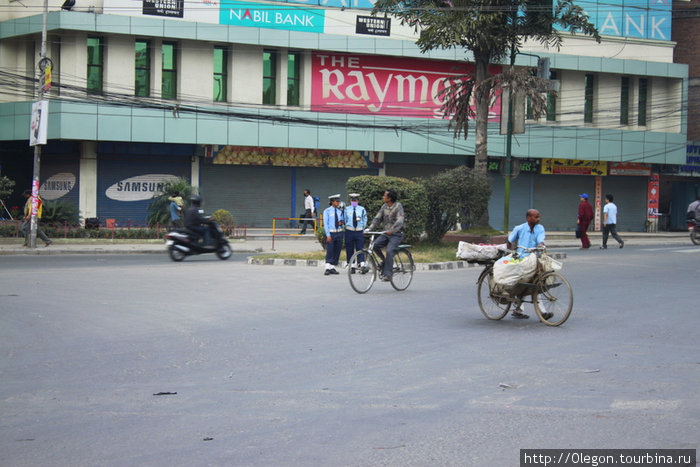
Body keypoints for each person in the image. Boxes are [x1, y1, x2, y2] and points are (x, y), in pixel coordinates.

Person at [506, 209, 548, 319]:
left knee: (534, 283)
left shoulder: (540, 228)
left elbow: (541, 239)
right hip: (522, 259)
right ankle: (543, 313)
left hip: (534, 259)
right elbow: (510, 240)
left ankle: (519, 309)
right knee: (529, 285)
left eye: (539, 216)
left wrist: (541, 244)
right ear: (528, 218)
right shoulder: (519, 228)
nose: (538, 219)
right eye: (536, 217)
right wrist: (510, 253)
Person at [366, 190, 404, 282]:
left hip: (396, 234)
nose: (383, 197)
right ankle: (384, 261)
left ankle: (388, 274)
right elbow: (377, 218)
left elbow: (400, 220)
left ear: (389, 198)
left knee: (390, 250)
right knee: (374, 245)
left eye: (384, 195)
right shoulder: (384, 206)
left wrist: (392, 230)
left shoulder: (398, 206)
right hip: (385, 234)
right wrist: (369, 229)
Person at [323, 194, 344, 275]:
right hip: (331, 233)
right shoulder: (327, 211)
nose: (338, 202)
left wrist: (341, 223)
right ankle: (327, 267)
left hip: (339, 232)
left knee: (337, 250)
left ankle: (332, 267)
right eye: (336, 201)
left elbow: (342, 222)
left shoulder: (340, 211)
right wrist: (328, 235)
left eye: (338, 201)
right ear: (332, 202)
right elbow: (326, 223)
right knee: (330, 250)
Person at [344, 193, 367, 266]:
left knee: (360, 247)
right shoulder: (347, 209)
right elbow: (345, 219)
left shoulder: (362, 209)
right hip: (349, 231)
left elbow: (364, 219)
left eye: (355, 200)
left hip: (359, 231)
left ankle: (361, 263)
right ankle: (351, 264)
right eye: (352, 200)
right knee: (349, 248)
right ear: (350, 201)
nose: (354, 202)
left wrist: (362, 228)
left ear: (358, 201)